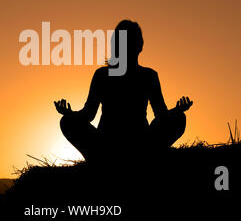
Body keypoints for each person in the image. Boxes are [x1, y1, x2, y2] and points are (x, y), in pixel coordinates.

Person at [54, 20, 193, 162]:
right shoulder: (103, 74)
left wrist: (177, 111)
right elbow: (88, 114)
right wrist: (69, 114)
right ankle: (119, 158)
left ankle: (103, 160)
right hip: (107, 143)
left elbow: (160, 114)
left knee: (179, 118)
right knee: (67, 121)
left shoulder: (148, 75)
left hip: (139, 141)